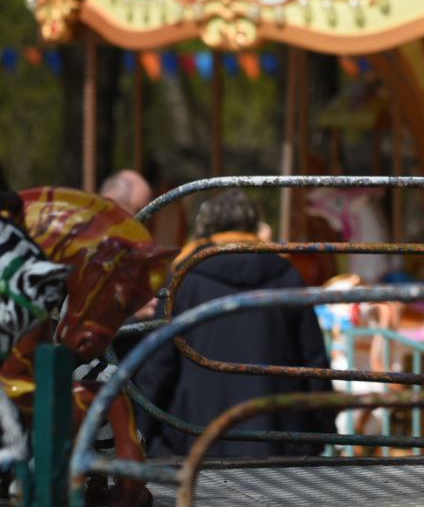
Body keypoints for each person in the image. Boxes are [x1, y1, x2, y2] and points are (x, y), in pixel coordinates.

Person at [134, 190, 335, 458]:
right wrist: (324, 430)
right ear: (254, 226)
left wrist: (138, 434)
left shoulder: (186, 279)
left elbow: (159, 366)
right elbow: (313, 362)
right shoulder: (286, 274)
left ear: (207, 228)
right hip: (278, 443)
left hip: (197, 442)